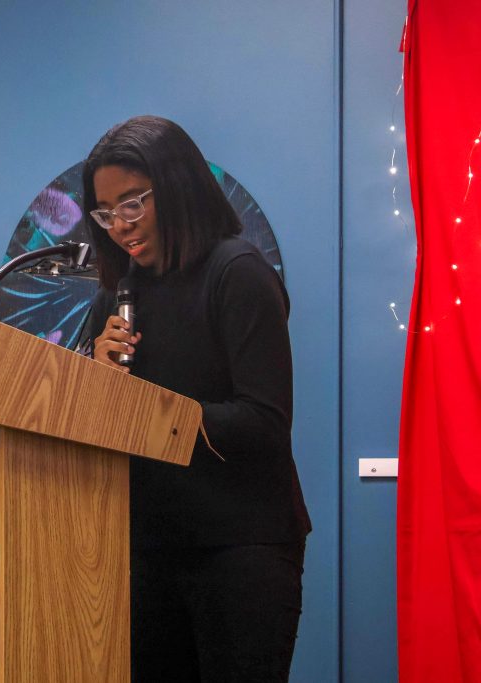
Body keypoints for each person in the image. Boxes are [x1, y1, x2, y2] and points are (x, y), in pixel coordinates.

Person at [83, 115, 312, 682]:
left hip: (241, 550)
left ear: (178, 185)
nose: (119, 226)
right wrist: (97, 378)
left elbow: (263, 423)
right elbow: (102, 427)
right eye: (106, 213)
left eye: (133, 204)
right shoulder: (115, 298)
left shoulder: (239, 274)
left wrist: (150, 411)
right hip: (146, 548)